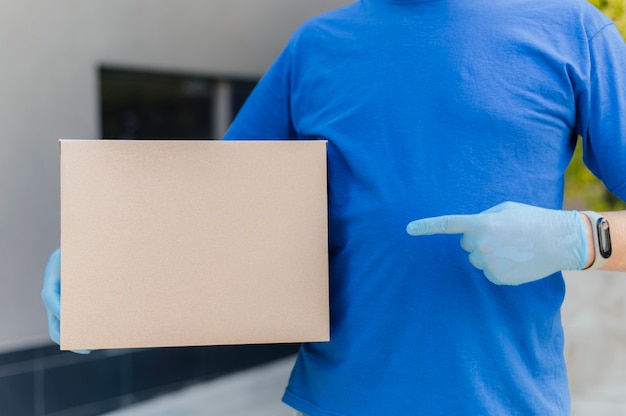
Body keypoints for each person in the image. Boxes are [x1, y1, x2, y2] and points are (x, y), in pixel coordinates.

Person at [42, 0, 626, 414]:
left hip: (508, 403)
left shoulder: (573, 30)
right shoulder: (316, 48)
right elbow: (213, 214)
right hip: (340, 403)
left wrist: (582, 238)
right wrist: (109, 265)